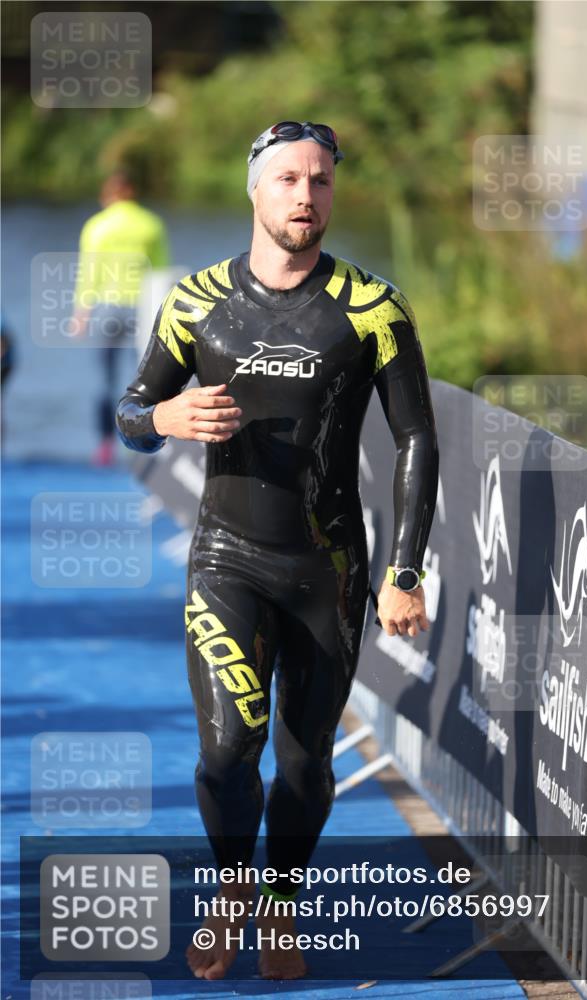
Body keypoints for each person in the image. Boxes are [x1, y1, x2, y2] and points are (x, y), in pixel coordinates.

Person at [116, 121, 439, 980]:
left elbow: (416, 441)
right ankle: (230, 894)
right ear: (253, 191)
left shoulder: (372, 306)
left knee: (303, 761)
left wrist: (404, 572)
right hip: (226, 556)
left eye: (322, 181)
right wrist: (163, 420)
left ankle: (281, 907)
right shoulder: (194, 303)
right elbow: (130, 412)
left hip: (328, 569)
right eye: (289, 179)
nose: (306, 196)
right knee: (227, 748)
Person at [73, 169, 169, 465]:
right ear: (132, 193)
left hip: (107, 307)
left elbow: (89, 273)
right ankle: (143, 441)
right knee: (145, 379)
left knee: (103, 380)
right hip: (143, 307)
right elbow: (161, 271)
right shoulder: (151, 224)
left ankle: (104, 446)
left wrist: (80, 313)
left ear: (108, 195)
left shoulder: (97, 226)